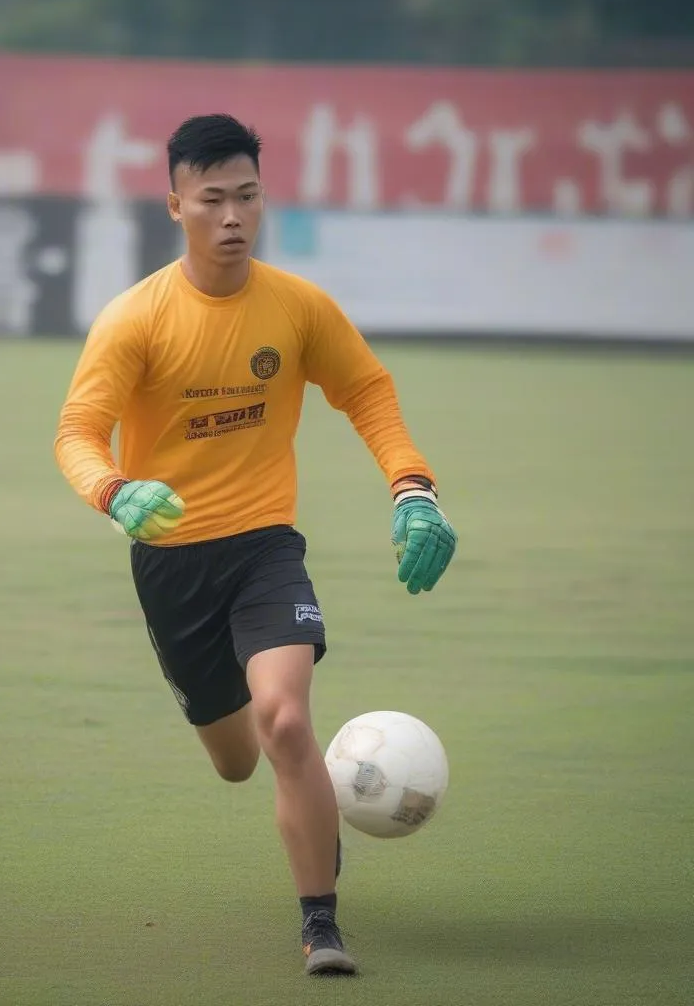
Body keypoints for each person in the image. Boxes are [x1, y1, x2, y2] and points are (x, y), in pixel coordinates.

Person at [53, 113, 457, 977]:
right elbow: (77, 431)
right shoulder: (135, 319)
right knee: (237, 759)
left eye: (248, 196)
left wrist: (414, 488)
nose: (234, 216)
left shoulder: (299, 308)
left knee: (284, 720)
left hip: (266, 549)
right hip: (170, 565)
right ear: (174, 205)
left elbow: (369, 394)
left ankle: (321, 925)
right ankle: (296, 798)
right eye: (213, 200)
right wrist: (116, 491)